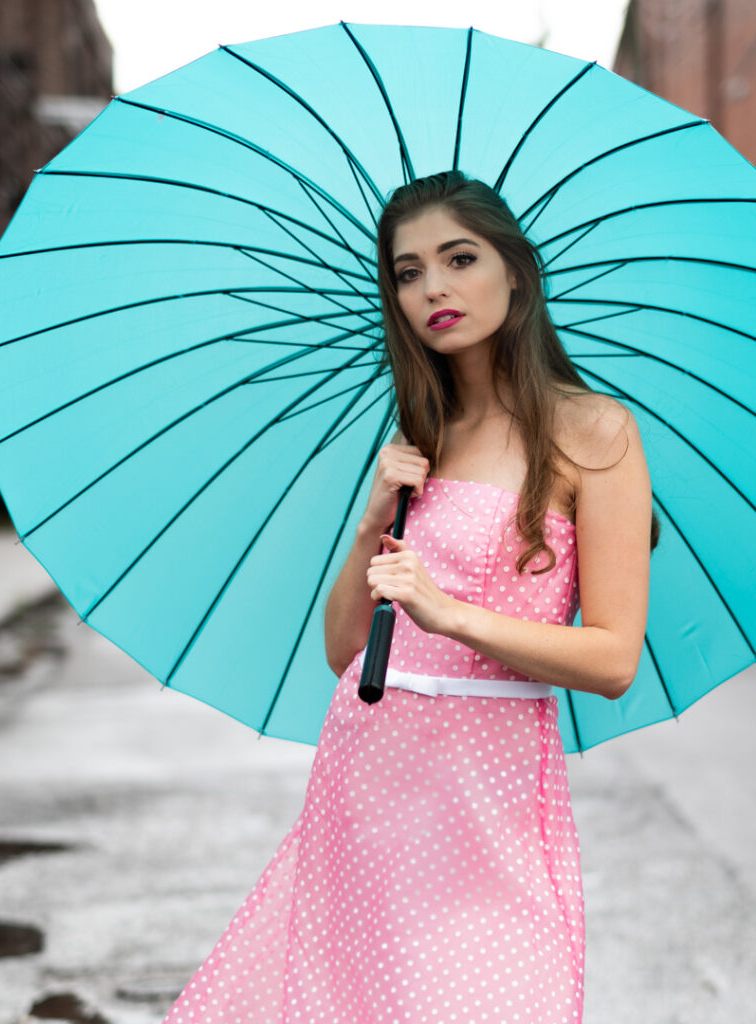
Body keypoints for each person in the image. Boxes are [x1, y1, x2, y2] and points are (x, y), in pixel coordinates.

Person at [161, 170, 654, 1024]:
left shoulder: (596, 432)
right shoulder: (419, 438)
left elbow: (613, 659)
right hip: (369, 773)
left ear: (515, 273)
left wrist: (450, 613)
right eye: (408, 272)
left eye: (459, 259)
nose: (433, 289)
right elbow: (342, 650)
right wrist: (370, 525)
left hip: (492, 788)